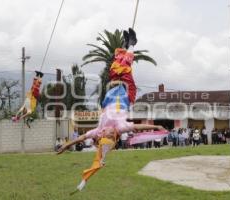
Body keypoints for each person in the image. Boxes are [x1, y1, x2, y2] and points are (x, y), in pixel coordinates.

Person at [57, 28, 168, 192]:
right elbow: (138, 127)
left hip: (110, 96)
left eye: (105, 136)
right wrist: (157, 126)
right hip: (126, 94)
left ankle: (125, 44)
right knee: (126, 68)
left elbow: (80, 138)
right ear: (115, 137)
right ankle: (132, 44)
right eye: (111, 136)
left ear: (101, 137)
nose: (108, 132)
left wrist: (66, 146)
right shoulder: (121, 128)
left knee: (115, 67)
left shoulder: (98, 131)